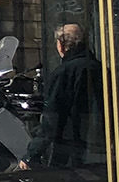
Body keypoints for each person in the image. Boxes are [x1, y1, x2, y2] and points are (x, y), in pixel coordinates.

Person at [21, 23, 105, 169]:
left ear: (61, 45)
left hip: (71, 147)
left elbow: (52, 119)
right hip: (100, 145)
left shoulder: (64, 72)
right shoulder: (99, 68)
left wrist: (31, 154)